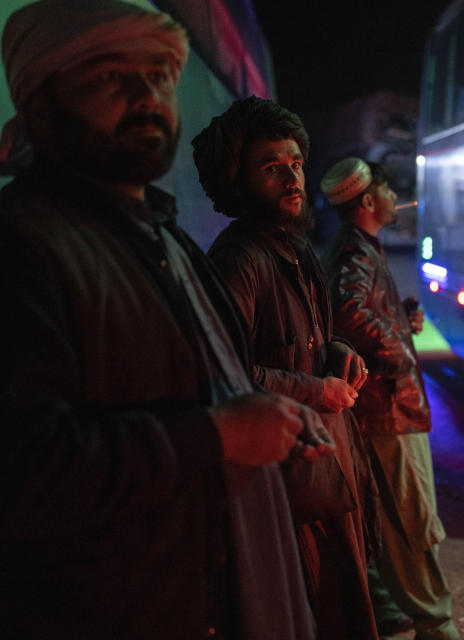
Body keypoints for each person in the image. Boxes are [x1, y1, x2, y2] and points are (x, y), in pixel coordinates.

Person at [0, 2, 325, 638]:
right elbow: (24, 475)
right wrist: (219, 435)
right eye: (106, 79)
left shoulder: (157, 230)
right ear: (39, 104)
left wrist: (268, 414)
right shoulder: (24, 246)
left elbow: (202, 380)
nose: (145, 97)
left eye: (159, 76)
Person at [193, 96, 380, 640]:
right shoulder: (239, 260)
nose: (291, 177)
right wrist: (314, 389)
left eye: (295, 163)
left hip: (327, 465)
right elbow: (224, 373)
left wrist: (338, 350)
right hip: (287, 483)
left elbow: (309, 336)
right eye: (271, 168)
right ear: (238, 182)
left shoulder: (295, 249)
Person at [321, 158, 461, 640]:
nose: (394, 197)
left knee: (396, 519)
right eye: (386, 188)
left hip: (387, 412)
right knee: (411, 522)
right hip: (387, 413)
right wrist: (400, 350)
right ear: (366, 201)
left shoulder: (359, 249)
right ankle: (436, 625)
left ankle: (402, 616)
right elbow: (348, 312)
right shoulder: (355, 255)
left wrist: (399, 317)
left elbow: (361, 311)